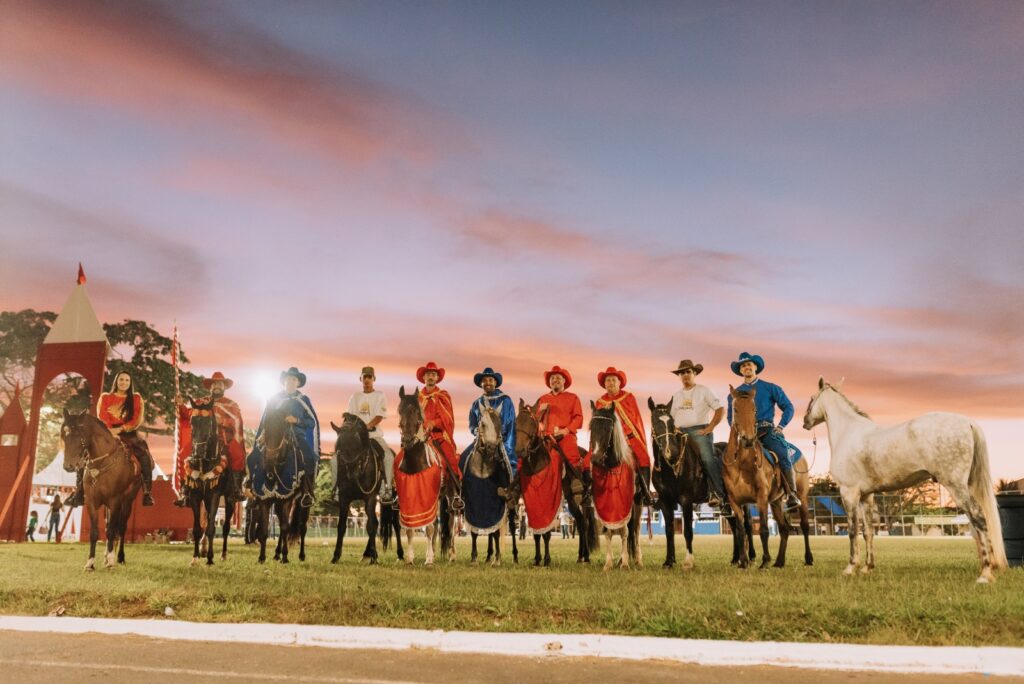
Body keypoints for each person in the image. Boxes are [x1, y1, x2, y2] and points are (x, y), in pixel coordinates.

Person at [67, 371, 156, 507]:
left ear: (130, 383)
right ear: (116, 381)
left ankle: (147, 492)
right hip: (107, 431)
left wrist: (121, 429)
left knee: (143, 453)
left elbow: (136, 418)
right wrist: (109, 430)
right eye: (121, 379)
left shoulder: (136, 398)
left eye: (127, 380)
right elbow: (102, 415)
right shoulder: (106, 397)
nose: (124, 382)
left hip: (128, 431)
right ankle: (79, 492)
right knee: (86, 452)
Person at [726, 352, 800, 509]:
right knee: (725, 460)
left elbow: (788, 407)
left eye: (749, 364)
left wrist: (780, 426)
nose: (746, 367)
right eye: (743, 365)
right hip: (744, 435)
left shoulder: (770, 388)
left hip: (766, 432)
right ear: (740, 371)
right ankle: (727, 499)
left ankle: (791, 493)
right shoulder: (734, 394)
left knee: (783, 453)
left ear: (755, 367)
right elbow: (730, 418)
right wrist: (740, 432)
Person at [247, 367, 320, 503]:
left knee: (309, 457)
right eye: (288, 379)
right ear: (284, 381)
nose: (290, 381)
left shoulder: (303, 399)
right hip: (272, 435)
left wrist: (297, 420)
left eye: (294, 379)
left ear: (298, 383)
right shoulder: (274, 399)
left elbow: (312, 422)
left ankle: (307, 491)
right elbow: (265, 420)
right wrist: (263, 434)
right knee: (253, 456)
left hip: (296, 435)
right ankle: (251, 486)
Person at [174, 371, 247, 506]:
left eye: (220, 384)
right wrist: (181, 405)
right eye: (214, 384)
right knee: (184, 452)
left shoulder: (232, 404)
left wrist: (223, 422)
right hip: (203, 438)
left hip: (224, 437)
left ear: (224, 387)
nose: (217, 386)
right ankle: (185, 490)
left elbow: (237, 421)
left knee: (237, 453)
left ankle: (237, 488)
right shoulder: (202, 402)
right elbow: (189, 414)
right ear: (210, 387)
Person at [669, 359, 726, 508]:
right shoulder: (676, 396)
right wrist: (673, 429)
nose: (685, 375)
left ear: (694, 373)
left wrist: (710, 428)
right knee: (667, 456)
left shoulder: (703, 390)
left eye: (688, 372)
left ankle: (717, 492)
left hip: (700, 430)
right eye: (682, 373)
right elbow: (671, 418)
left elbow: (720, 409)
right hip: (680, 433)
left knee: (707, 458)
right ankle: (668, 494)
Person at [595, 367, 654, 505]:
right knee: (591, 459)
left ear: (619, 383)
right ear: (604, 384)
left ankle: (646, 492)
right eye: (607, 380)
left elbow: (634, 419)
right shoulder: (600, 402)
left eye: (613, 380)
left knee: (644, 457)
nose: (610, 383)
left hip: (629, 436)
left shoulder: (628, 397)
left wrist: (626, 435)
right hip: (607, 439)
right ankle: (592, 488)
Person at [346, 366, 395, 503]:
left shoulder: (380, 395)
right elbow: (349, 417)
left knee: (389, 457)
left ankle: (387, 490)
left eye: (369, 377)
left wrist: (367, 426)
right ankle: (337, 489)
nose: (367, 380)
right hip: (357, 437)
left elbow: (380, 416)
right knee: (338, 456)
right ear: (360, 379)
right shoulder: (355, 397)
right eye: (364, 377)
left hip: (374, 435)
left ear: (373, 379)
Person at [536, 365, 588, 489]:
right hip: (546, 437)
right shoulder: (543, 399)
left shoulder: (573, 398)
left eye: (558, 378)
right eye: (552, 378)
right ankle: (519, 486)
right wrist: (539, 414)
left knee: (571, 452)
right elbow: (537, 422)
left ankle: (576, 480)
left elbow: (578, 418)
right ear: (549, 382)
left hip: (565, 435)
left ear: (564, 381)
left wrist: (566, 430)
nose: (555, 380)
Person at [416, 361, 460, 486]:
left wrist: (433, 423)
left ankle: (455, 491)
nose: (430, 376)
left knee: (450, 458)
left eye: (433, 374)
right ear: (423, 377)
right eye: (428, 374)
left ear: (437, 378)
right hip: (420, 437)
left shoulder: (443, 396)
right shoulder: (417, 398)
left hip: (438, 436)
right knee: (404, 457)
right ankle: (397, 490)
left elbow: (448, 418)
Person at [464, 367, 516, 471]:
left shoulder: (505, 400)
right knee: (463, 459)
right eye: (484, 380)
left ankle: (511, 486)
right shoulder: (476, 403)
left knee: (510, 466)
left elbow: (509, 423)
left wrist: (495, 436)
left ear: (495, 382)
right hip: (481, 441)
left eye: (490, 380)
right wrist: (476, 430)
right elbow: (472, 423)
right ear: (481, 384)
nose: (488, 383)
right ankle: (461, 486)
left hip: (502, 441)